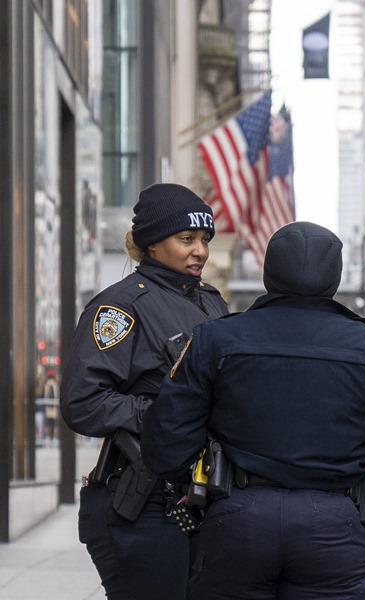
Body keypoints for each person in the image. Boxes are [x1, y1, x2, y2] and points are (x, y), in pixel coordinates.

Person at [140, 221, 365, 600]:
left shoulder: (214, 339)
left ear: (269, 272)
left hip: (237, 521)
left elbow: (164, 448)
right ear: (334, 278)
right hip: (334, 525)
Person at [60, 183, 229, 600]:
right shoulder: (119, 307)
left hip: (196, 496)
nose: (200, 251)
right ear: (152, 243)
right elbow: (82, 401)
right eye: (186, 239)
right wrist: (160, 415)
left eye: (205, 240)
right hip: (140, 502)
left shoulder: (211, 302)